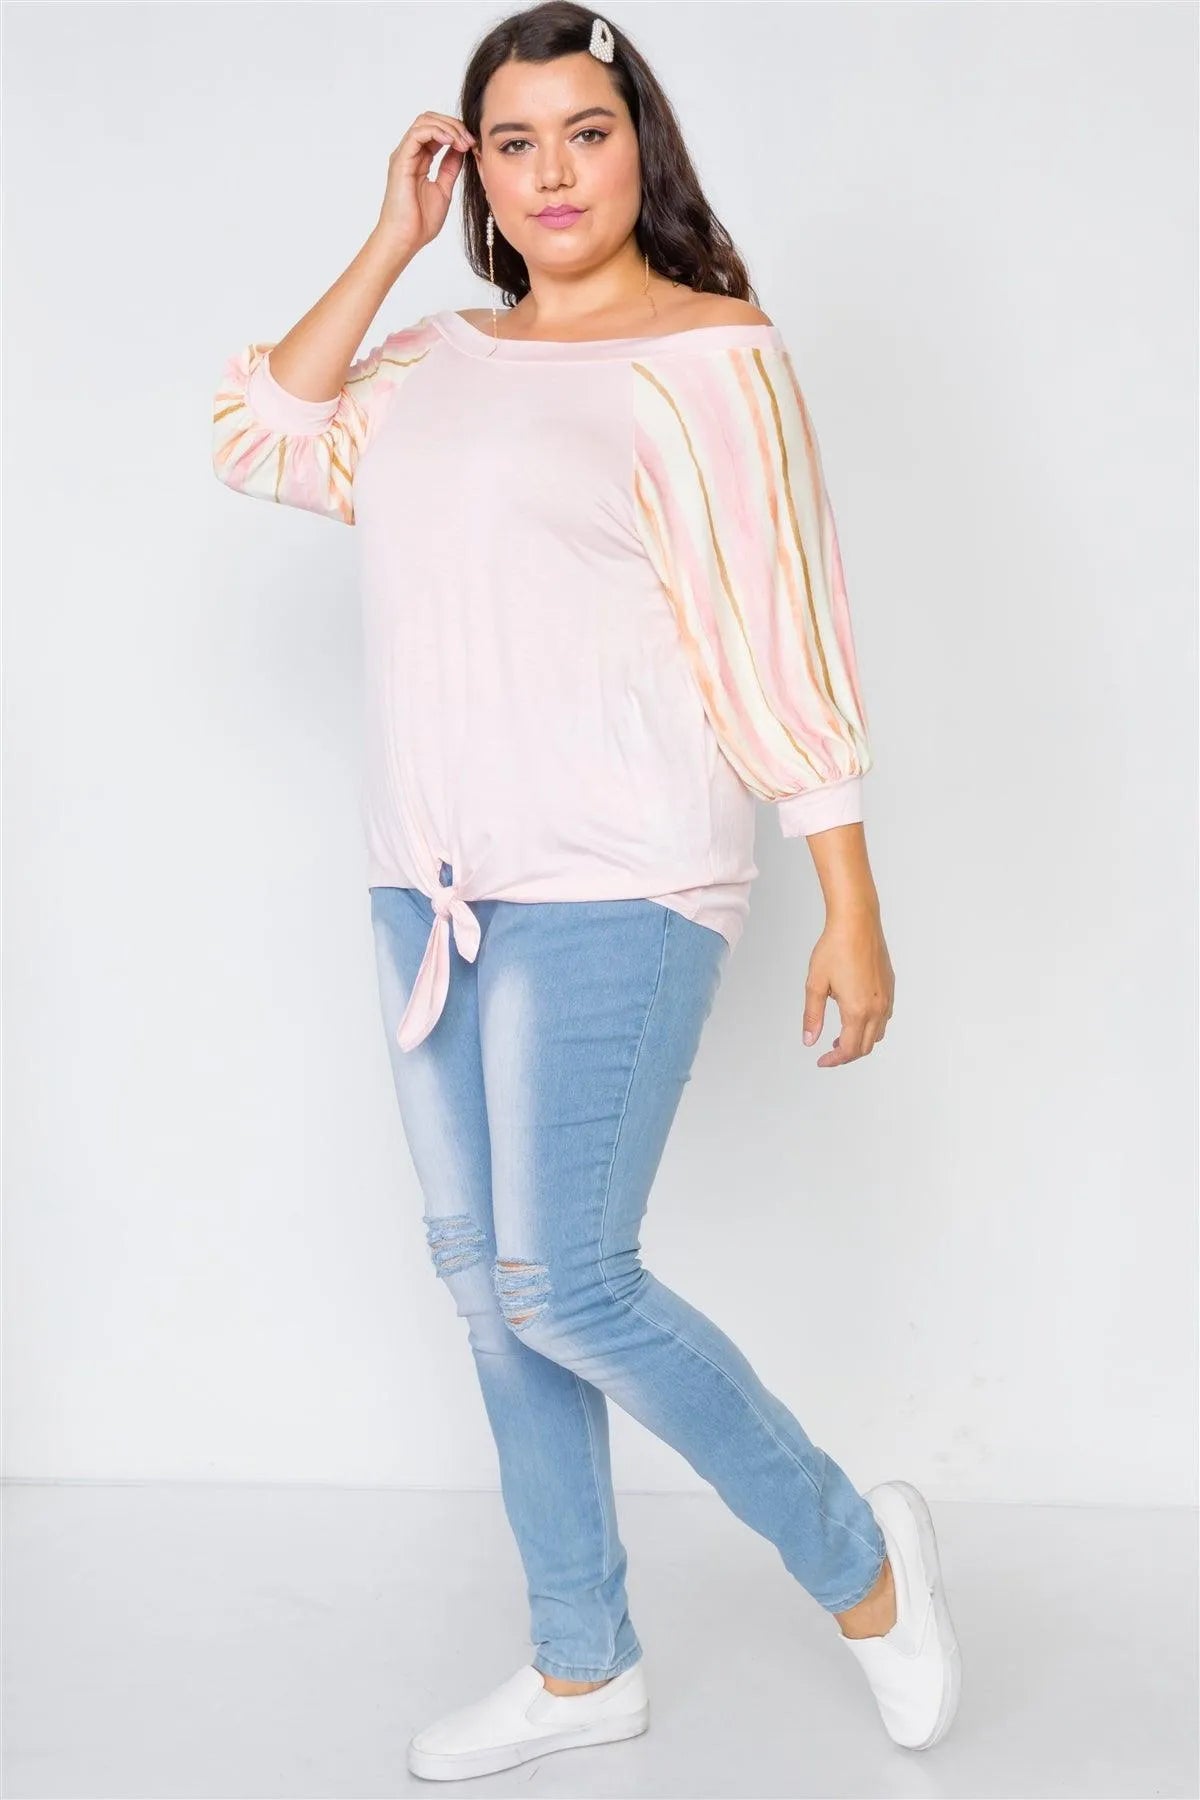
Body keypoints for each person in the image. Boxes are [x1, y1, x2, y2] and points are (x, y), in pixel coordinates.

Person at [212, 1, 961, 1780]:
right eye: (514, 142)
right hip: (429, 891)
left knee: (566, 1280)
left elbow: (781, 631)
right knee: (488, 1286)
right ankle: (580, 1664)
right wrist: (390, 244)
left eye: (588, 132)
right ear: (473, 168)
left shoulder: (713, 357)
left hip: (623, 878)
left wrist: (849, 895)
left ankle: (862, 1568)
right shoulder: (429, 363)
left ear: (644, 148)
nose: (554, 173)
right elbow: (258, 435)